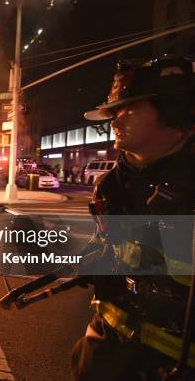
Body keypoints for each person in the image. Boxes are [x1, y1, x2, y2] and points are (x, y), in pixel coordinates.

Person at [71, 56, 194, 380]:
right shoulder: (111, 185)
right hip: (106, 348)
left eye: (128, 109)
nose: (114, 121)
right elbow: (112, 249)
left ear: (172, 109)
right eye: (113, 112)